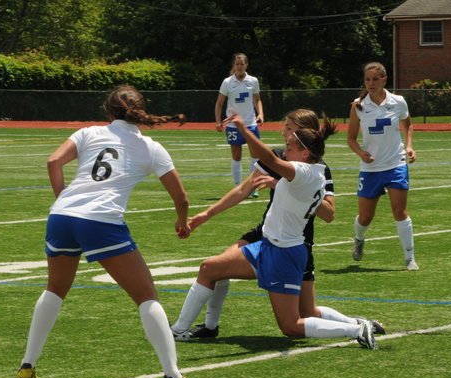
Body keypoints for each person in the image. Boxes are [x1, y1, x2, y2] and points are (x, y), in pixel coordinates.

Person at [16, 85, 198, 378]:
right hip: (100, 221)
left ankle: (27, 364)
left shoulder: (89, 133)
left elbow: (53, 162)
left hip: (61, 217)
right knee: (147, 296)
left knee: (55, 289)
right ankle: (173, 377)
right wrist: (182, 221)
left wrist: (64, 201)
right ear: (140, 111)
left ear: (108, 111)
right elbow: (181, 198)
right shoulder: (151, 147)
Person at [171, 110, 385, 342]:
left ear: (304, 137)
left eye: (289, 129)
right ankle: (205, 327)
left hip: (292, 244)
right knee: (213, 268)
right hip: (268, 236)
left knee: (303, 317)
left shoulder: (310, 169)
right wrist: (206, 214)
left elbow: (329, 214)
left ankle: (357, 326)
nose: (284, 134)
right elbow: (246, 187)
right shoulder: (290, 161)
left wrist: (295, 189)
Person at [348, 61, 419, 271]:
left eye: (375, 79)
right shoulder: (358, 106)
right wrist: (361, 153)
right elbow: (351, 138)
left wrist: (409, 146)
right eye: (367, 79)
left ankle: (409, 258)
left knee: (399, 211)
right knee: (365, 217)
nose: (371, 83)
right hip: (370, 169)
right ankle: (359, 239)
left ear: (384, 80)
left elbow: (408, 125)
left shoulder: (398, 102)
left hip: (396, 164)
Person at [214, 53, 264, 197]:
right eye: (237, 64)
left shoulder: (253, 81)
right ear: (234, 65)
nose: (240, 66)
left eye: (242, 64)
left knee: (255, 155)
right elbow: (219, 103)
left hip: (250, 124)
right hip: (233, 125)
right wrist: (218, 121)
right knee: (236, 156)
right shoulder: (227, 82)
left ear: (246, 65)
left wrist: (260, 113)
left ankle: (252, 186)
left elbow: (257, 99)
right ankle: (238, 188)